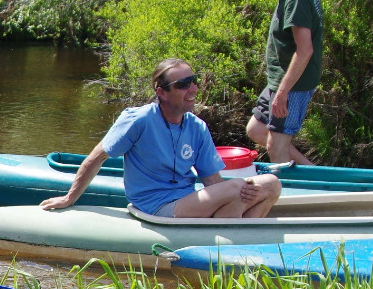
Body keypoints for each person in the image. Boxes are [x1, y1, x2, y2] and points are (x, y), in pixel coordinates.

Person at [41, 58, 281, 218]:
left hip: (187, 199)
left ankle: (235, 241)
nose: (193, 88)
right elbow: (96, 157)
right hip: (156, 206)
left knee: (271, 183)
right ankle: (232, 241)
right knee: (238, 188)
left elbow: (212, 182)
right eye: (183, 84)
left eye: (194, 80)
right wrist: (69, 198)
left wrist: (245, 192)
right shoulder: (138, 120)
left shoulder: (197, 127)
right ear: (161, 92)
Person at [245, 0, 324, 165]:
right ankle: (311, 171)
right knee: (257, 129)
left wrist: (282, 92)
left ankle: (287, 195)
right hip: (279, 83)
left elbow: (305, 50)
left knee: (276, 146)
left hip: (293, 86)